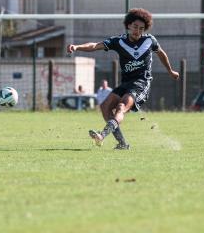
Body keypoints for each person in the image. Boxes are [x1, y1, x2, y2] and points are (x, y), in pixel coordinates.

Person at [66, 8, 179, 150]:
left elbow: (161, 53)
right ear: (128, 26)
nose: (138, 31)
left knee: (121, 107)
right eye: (135, 27)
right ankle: (123, 144)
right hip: (126, 83)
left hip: (141, 84)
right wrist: (77, 47)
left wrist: (170, 70)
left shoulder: (150, 40)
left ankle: (102, 135)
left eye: (141, 28)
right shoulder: (119, 41)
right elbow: (95, 46)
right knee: (105, 106)